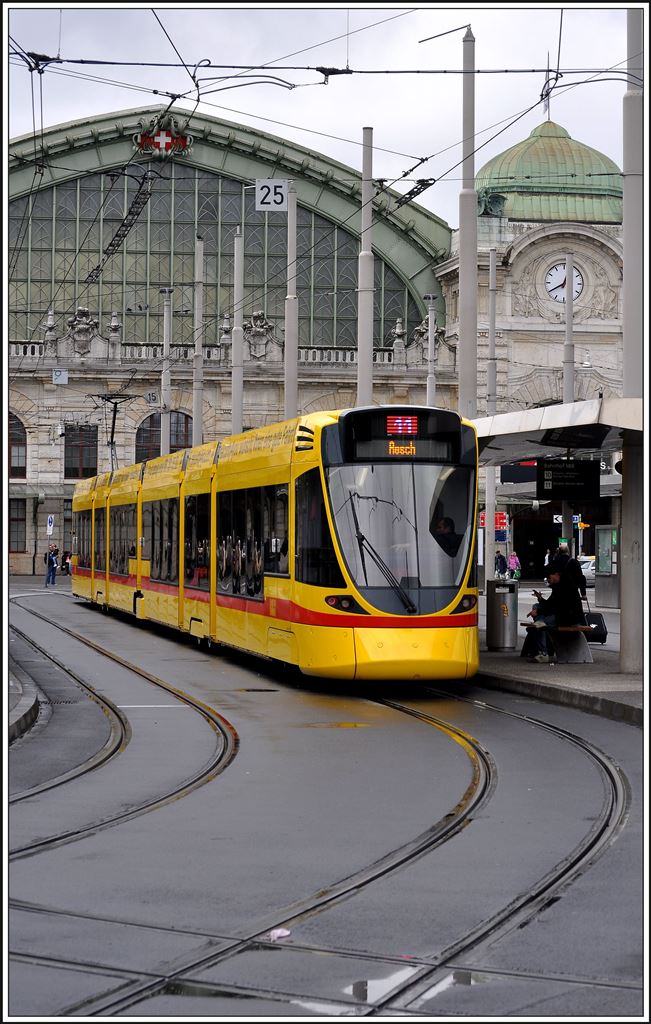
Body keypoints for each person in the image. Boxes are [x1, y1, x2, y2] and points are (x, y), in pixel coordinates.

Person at [525, 567, 586, 663]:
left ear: (557, 574)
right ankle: (540, 623)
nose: (548, 580)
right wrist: (540, 599)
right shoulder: (559, 586)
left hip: (567, 617)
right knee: (537, 607)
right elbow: (551, 604)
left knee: (538, 625)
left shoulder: (565, 587)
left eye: (549, 577)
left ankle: (543, 653)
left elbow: (555, 606)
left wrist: (539, 612)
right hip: (560, 615)